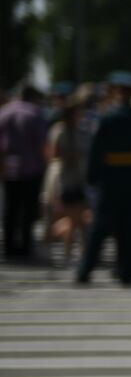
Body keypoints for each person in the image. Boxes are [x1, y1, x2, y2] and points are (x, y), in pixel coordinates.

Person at [77, 72, 131, 284]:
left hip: (111, 177)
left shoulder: (107, 118)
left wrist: (92, 177)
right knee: (129, 227)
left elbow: (96, 150)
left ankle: (85, 270)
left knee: (100, 227)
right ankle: (126, 271)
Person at [0, 84, 48, 260]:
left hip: (8, 167)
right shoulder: (35, 113)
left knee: (10, 208)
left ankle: (8, 247)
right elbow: (42, 143)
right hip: (31, 168)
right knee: (28, 209)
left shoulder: (3, 112)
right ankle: (25, 245)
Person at [42, 98, 89, 267]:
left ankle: (76, 251)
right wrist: (71, 155)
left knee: (80, 219)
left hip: (79, 179)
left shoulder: (81, 130)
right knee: (71, 218)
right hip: (64, 179)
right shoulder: (60, 131)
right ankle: (65, 250)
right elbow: (53, 153)